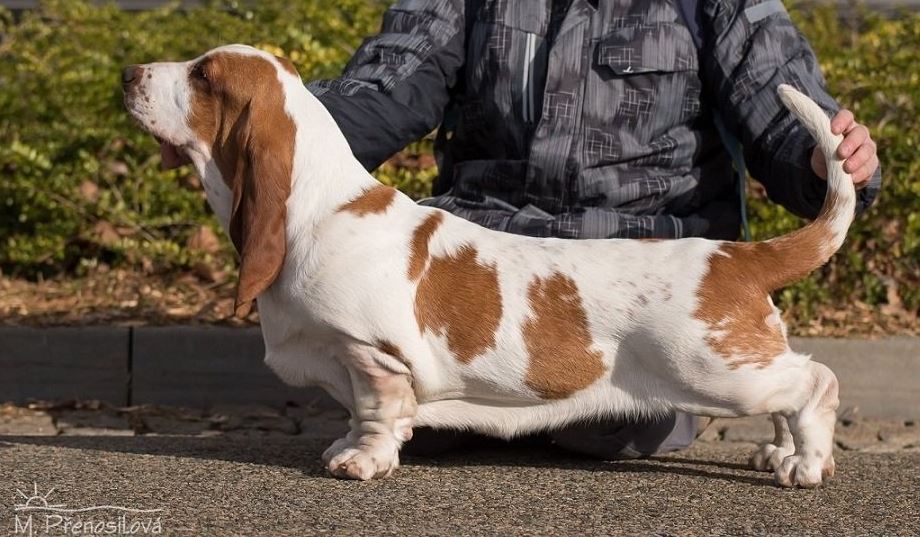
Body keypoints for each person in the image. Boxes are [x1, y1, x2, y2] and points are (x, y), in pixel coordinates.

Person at [306, 0, 881, 459]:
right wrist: (282, 119)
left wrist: (824, 157)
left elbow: (779, 104)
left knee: (613, 431)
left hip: (637, 284)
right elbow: (387, 85)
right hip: (484, 279)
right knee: (414, 419)